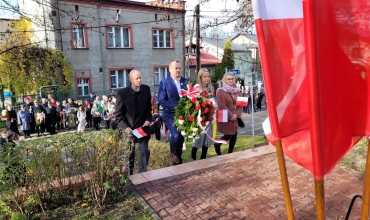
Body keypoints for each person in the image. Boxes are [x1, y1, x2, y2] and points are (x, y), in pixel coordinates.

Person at [114, 69, 152, 175]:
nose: (139, 80)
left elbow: (149, 109)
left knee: (144, 151)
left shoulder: (146, 89)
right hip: (130, 129)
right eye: (137, 78)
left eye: (140, 77)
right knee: (130, 154)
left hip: (143, 128)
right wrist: (125, 127)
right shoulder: (122, 93)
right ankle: (130, 175)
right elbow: (118, 114)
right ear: (130, 79)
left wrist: (148, 120)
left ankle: (143, 174)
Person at [158, 60, 187, 165]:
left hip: (183, 116)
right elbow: (162, 100)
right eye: (176, 68)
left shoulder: (186, 81)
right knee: (175, 135)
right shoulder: (164, 83)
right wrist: (177, 107)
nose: (178, 70)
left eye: (179, 68)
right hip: (170, 114)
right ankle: (173, 155)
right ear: (170, 69)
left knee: (180, 137)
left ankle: (178, 159)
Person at [214, 72, 243, 155]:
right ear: (225, 80)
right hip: (226, 117)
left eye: (232, 78)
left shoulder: (237, 90)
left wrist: (237, 114)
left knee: (234, 135)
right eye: (228, 79)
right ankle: (217, 144)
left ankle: (230, 153)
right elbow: (222, 106)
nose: (230, 80)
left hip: (235, 117)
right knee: (228, 135)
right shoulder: (221, 91)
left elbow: (240, 104)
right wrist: (231, 116)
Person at [191, 68, 215, 160]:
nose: (207, 78)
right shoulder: (197, 87)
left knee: (208, 137)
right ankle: (194, 150)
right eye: (205, 77)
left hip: (209, 115)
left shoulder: (210, 88)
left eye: (208, 76)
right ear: (200, 77)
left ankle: (203, 155)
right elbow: (194, 101)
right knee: (200, 136)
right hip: (200, 116)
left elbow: (212, 99)